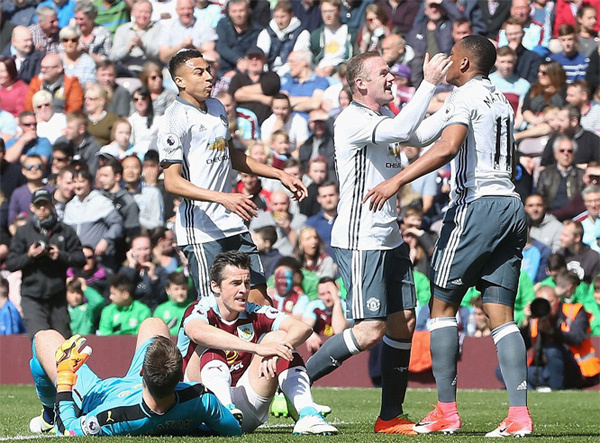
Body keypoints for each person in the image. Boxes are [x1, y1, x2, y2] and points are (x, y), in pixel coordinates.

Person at [364, 36, 532, 437]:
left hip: (477, 206)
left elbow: (445, 147)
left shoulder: (466, 98)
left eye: (452, 58)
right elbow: (419, 135)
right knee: (501, 317)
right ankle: (519, 416)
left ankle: (446, 411)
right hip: (510, 206)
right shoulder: (496, 98)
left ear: (465, 64)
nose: (446, 63)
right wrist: (426, 87)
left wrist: (396, 182)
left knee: (441, 309)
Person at [302, 50, 449, 435]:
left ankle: (389, 417)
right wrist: (429, 81)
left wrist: (459, 106)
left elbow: (417, 133)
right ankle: (294, 382)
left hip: (389, 236)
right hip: (361, 238)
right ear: (360, 84)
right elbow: (405, 132)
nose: (391, 78)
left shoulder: (382, 117)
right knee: (370, 329)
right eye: (383, 73)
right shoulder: (352, 119)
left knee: (404, 322)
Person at [157, 49, 307, 305]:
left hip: (232, 222)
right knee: (213, 311)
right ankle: (185, 346)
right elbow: (172, 182)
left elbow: (231, 155)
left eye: (209, 70)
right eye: (199, 72)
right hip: (201, 230)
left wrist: (278, 173)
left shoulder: (216, 107)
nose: (208, 77)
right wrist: (222, 198)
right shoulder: (173, 120)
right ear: (180, 81)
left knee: (260, 302)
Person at [176, 251, 338, 435]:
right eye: (235, 283)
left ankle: (308, 414)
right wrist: (258, 348)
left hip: (244, 407)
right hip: (200, 404)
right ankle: (223, 410)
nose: (244, 290)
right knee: (212, 343)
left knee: (279, 339)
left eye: (247, 283)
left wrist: (279, 348)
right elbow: (197, 332)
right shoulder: (200, 308)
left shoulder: (256, 312)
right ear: (216, 286)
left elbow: (302, 328)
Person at [28, 317, 242, 436]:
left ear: (144, 374)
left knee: (43, 339)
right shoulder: (201, 398)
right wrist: (186, 424)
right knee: (154, 323)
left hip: (93, 396)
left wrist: (65, 376)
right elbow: (232, 429)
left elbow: (68, 432)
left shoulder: (111, 417)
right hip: (142, 388)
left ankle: (48, 413)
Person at [5, 188, 85, 339]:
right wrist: (29, 256)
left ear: (52, 205)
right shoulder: (24, 232)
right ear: (32, 208)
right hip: (32, 296)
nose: (42, 209)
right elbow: (11, 264)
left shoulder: (64, 231)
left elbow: (81, 259)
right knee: (40, 339)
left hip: (57, 297)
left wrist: (60, 255)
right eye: (38, 205)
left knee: (63, 342)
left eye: (45, 204)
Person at [521, 282, 600, 390]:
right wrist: (525, 321)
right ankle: (538, 391)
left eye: (550, 302)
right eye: (542, 303)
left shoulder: (574, 311)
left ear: (557, 299)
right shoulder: (535, 320)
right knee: (505, 371)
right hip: (545, 369)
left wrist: (552, 331)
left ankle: (554, 391)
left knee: (552, 350)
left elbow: (577, 338)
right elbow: (521, 347)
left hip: (576, 368)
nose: (546, 306)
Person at [109, 0, 160, 76]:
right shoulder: (122, 29)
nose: (143, 15)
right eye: (140, 11)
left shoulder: (158, 28)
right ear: (132, 13)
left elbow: (159, 55)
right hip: (126, 71)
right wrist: (128, 49)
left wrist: (143, 46)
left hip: (150, 73)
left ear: (151, 13)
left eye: (147, 12)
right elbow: (112, 57)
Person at [158, 0, 216, 65]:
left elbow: (210, 54)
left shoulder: (205, 26)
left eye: (189, 8)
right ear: (176, 10)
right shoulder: (168, 27)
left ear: (194, 9)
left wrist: (193, 47)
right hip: (173, 68)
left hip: (197, 67)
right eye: (182, 9)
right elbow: (163, 57)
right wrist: (181, 46)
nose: (186, 12)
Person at [153, 271, 190, 335]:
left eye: (183, 288)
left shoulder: (194, 307)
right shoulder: (160, 310)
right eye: (176, 289)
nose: (180, 293)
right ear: (168, 290)